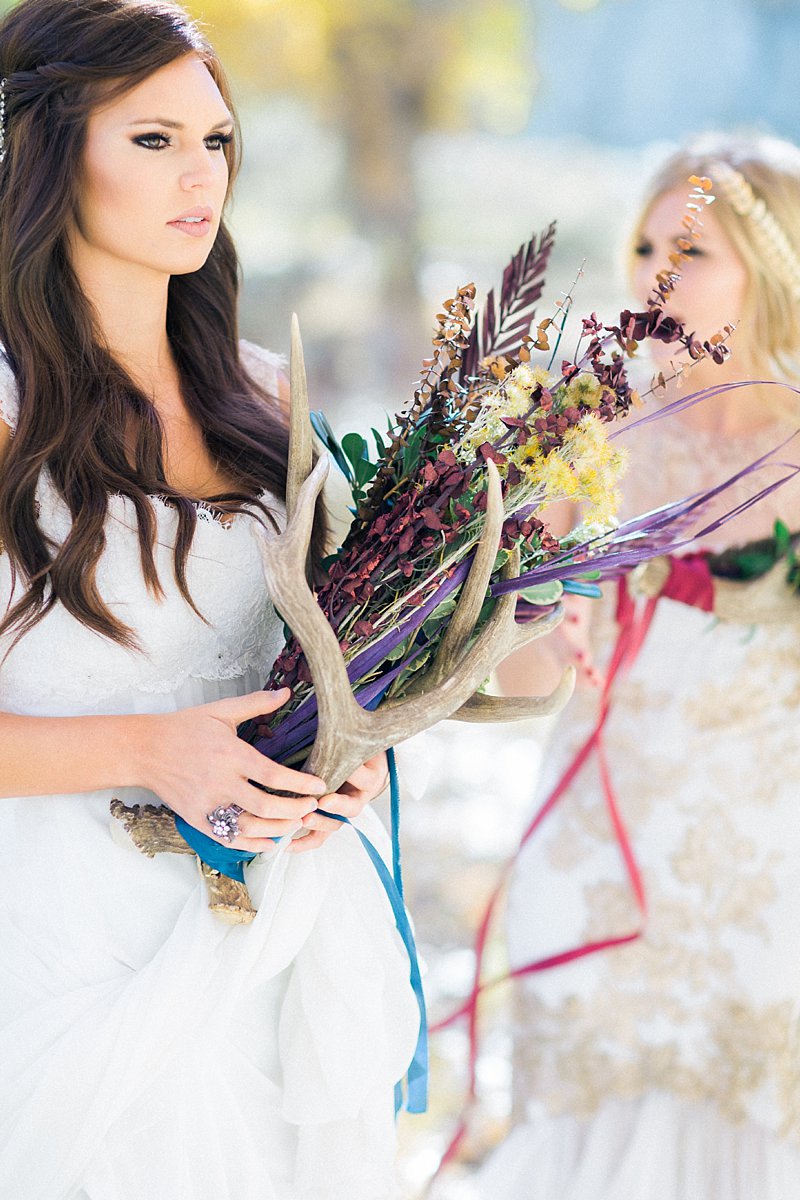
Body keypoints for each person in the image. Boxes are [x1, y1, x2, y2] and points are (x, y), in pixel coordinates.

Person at [0, 3, 420, 1198]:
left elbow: (317, 657)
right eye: (153, 140)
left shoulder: (270, 400)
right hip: (61, 937)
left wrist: (348, 750)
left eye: (219, 139)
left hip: (276, 933)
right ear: (45, 153)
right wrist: (151, 749)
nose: (201, 174)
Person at [472, 133, 800, 1200]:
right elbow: (515, 675)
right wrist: (529, 591)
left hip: (761, 863)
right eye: (643, 244)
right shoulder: (586, 433)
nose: (652, 273)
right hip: (592, 849)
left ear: (773, 264)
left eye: (690, 249)